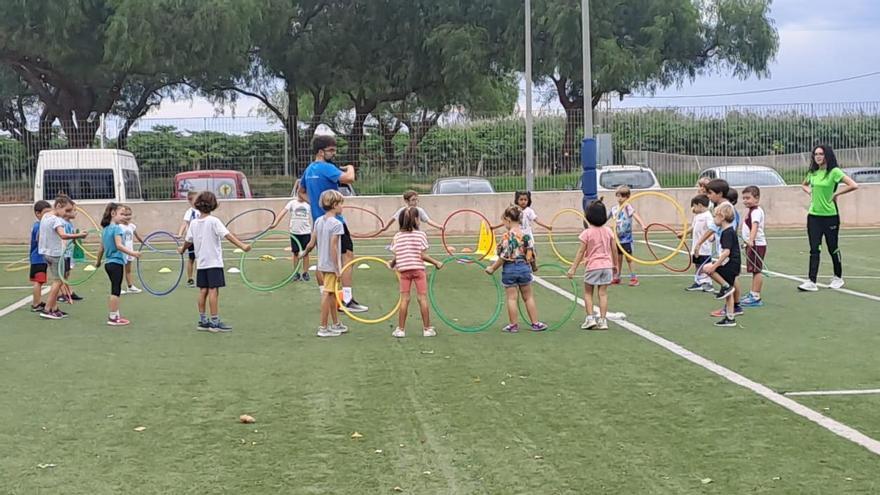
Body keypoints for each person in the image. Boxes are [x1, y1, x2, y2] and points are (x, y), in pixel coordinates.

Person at [301, 135, 368, 313]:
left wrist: (316, 205)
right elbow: (349, 178)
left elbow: (301, 192)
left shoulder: (309, 170)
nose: (334, 153)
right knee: (347, 257)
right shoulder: (325, 167)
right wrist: (351, 167)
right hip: (335, 222)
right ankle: (347, 299)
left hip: (319, 222)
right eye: (331, 150)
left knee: (323, 260)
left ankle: (328, 297)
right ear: (321, 152)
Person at [177, 191, 252, 332]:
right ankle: (214, 322)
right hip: (214, 263)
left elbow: (188, 241)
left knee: (203, 290)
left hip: (202, 263)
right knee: (213, 291)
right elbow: (228, 235)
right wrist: (242, 246)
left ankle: (203, 321)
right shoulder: (214, 221)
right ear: (213, 205)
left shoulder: (194, 223)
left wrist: (182, 249)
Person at [799, 145, 859, 292]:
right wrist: (810, 193)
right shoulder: (813, 172)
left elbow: (854, 185)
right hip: (813, 216)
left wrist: (836, 194)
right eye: (815, 154)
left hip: (830, 217)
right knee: (814, 248)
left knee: (832, 247)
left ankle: (838, 277)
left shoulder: (834, 172)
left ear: (827, 155)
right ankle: (811, 281)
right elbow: (804, 185)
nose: (818, 156)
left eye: (821, 154)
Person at [485, 206, 548, 333]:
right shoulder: (526, 236)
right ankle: (535, 323)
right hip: (524, 268)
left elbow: (503, 257)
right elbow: (531, 254)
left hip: (510, 269)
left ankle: (513, 325)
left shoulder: (506, 237)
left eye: (503, 221)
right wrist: (534, 267)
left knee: (512, 298)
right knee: (528, 297)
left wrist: (492, 268)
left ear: (508, 220)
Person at [388, 207, 444, 338]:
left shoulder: (397, 236)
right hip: (418, 270)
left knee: (405, 299)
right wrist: (436, 262)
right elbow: (422, 255)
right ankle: (427, 329)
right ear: (417, 220)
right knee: (422, 299)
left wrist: (391, 264)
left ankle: (401, 329)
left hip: (404, 271)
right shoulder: (421, 235)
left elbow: (398, 255)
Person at [301, 190, 350, 337]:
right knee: (328, 293)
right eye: (341, 204)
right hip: (330, 265)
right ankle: (323, 327)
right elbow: (334, 247)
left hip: (322, 263)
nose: (342, 207)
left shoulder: (318, 221)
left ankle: (335, 324)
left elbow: (311, 243)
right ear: (334, 205)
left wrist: (304, 253)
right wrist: (337, 269)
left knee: (333, 293)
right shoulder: (337, 224)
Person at [567, 199, 618, 330]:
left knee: (588, 292)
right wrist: (615, 265)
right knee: (603, 293)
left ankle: (590, 318)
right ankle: (603, 320)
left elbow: (580, 252)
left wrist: (573, 268)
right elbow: (614, 249)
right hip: (606, 266)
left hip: (593, 267)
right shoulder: (608, 231)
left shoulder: (587, 233)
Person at [37, 195, 89, 320]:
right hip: (56, 254)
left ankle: (54, 308)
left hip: (46, 252)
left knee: (58, 280)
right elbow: (63, 235)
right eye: (67, 210)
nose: (69, 213)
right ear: (58, 206)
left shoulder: (46, 216)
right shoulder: (56, 220)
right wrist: (78, 235)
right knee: (58, 281)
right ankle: (48, 309)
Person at [94, 203, 142, 326]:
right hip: (116, 263)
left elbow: (101, 249)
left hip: (108, 264)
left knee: (115, 289)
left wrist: (98, 262)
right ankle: (113, 317)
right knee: (115, 291)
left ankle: (115, 314)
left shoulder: (105, 230)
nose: (123, 216)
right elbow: (119, 245)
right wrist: (133, 253)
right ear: (113, 214)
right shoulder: (117, 228)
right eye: (121, 214)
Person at [702, 203, 741, 327]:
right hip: (733, 264)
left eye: (715, 216)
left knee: (706, 268)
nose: (713, 219)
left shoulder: (727, 232)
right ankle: (730, 317)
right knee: (728, 292)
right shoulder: (727, 231)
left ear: (722, 216)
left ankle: (724, 285)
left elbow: (726, 252)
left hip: (730, 264)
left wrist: (715, 265)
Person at [270, 179, 312, 282]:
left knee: (306, 253)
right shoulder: (292, 203)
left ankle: (305, 273)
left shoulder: (309, 204)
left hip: (306, 232)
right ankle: (296, 273)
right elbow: (282, 213)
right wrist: (275, 223)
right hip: (295, 232)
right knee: (295, 253)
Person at [609, 186, 646, 286]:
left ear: (627, 197)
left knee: (629, 258)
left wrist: (642, 224)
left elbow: (636, 216)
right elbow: (605, 218)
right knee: (618, 258)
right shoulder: (614, 209)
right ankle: (617, 276)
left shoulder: (628, 207)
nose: (620, 198)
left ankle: (634, 278)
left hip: (626, 239)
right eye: (618, 196)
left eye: (622, 196)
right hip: (617, 238)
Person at [740, 186, 767, 307]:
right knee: (753, 270)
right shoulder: (751, 211)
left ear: (756, 198)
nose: (745, 200)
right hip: (752, 244)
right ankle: (753, 293)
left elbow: (755, 226)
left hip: (756, 244)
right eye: (744, 198)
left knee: (756, 270)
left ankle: (756, 296)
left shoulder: (756, 212)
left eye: (748, 198)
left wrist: (751, 240)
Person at [685, 194, 715, 292]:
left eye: (694, 206)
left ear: (700, 205)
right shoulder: (697, 216)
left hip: (704, 247)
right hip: (696, 246)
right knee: (697, 264)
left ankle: (707, 283)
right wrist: (683, 233)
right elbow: (693, 227)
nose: (692, 208)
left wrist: (711, 237)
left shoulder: (708, 216)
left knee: (705, 265)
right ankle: (699, 282)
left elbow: (712, 229)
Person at [379, 190, 444, 234]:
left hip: (415, 233)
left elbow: (428, 220)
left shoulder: (419, 210)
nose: (415, 202)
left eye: (416, 199)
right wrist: (385, 227)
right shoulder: (402, 210)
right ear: (406, 201)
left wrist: (439, 226)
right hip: (404, 234)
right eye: (413, 200)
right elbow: (392, 219)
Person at [28, 200, 53, 312]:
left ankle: (37, 301)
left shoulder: (39, 225)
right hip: (38, 258)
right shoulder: (39, 226)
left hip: (40, 258)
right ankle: (36, 304)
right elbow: (40, 240)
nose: (48, 216)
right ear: (38, 214)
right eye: (45, 213)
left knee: (40, 281)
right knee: (38, 281)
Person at [118, 205, 144, 294]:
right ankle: (117, 287)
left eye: (129, 214)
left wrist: (144, 242)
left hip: (130, 252)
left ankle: (130, 286)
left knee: (128, 270)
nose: (127, 217)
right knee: (119, 271)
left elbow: (137, 236)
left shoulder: (132, 226)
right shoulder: (119, 227)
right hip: (122, 252)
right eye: (125, 215)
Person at [178, 190, 200, 288]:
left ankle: (200, 277)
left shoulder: (202, 210)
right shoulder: (190, 212)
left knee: (200, 259)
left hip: (201, 239)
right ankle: (190, 279)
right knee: (191, 259)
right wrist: (180, 234)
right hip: (191, 239)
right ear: (190, 201)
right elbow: (184, 223)